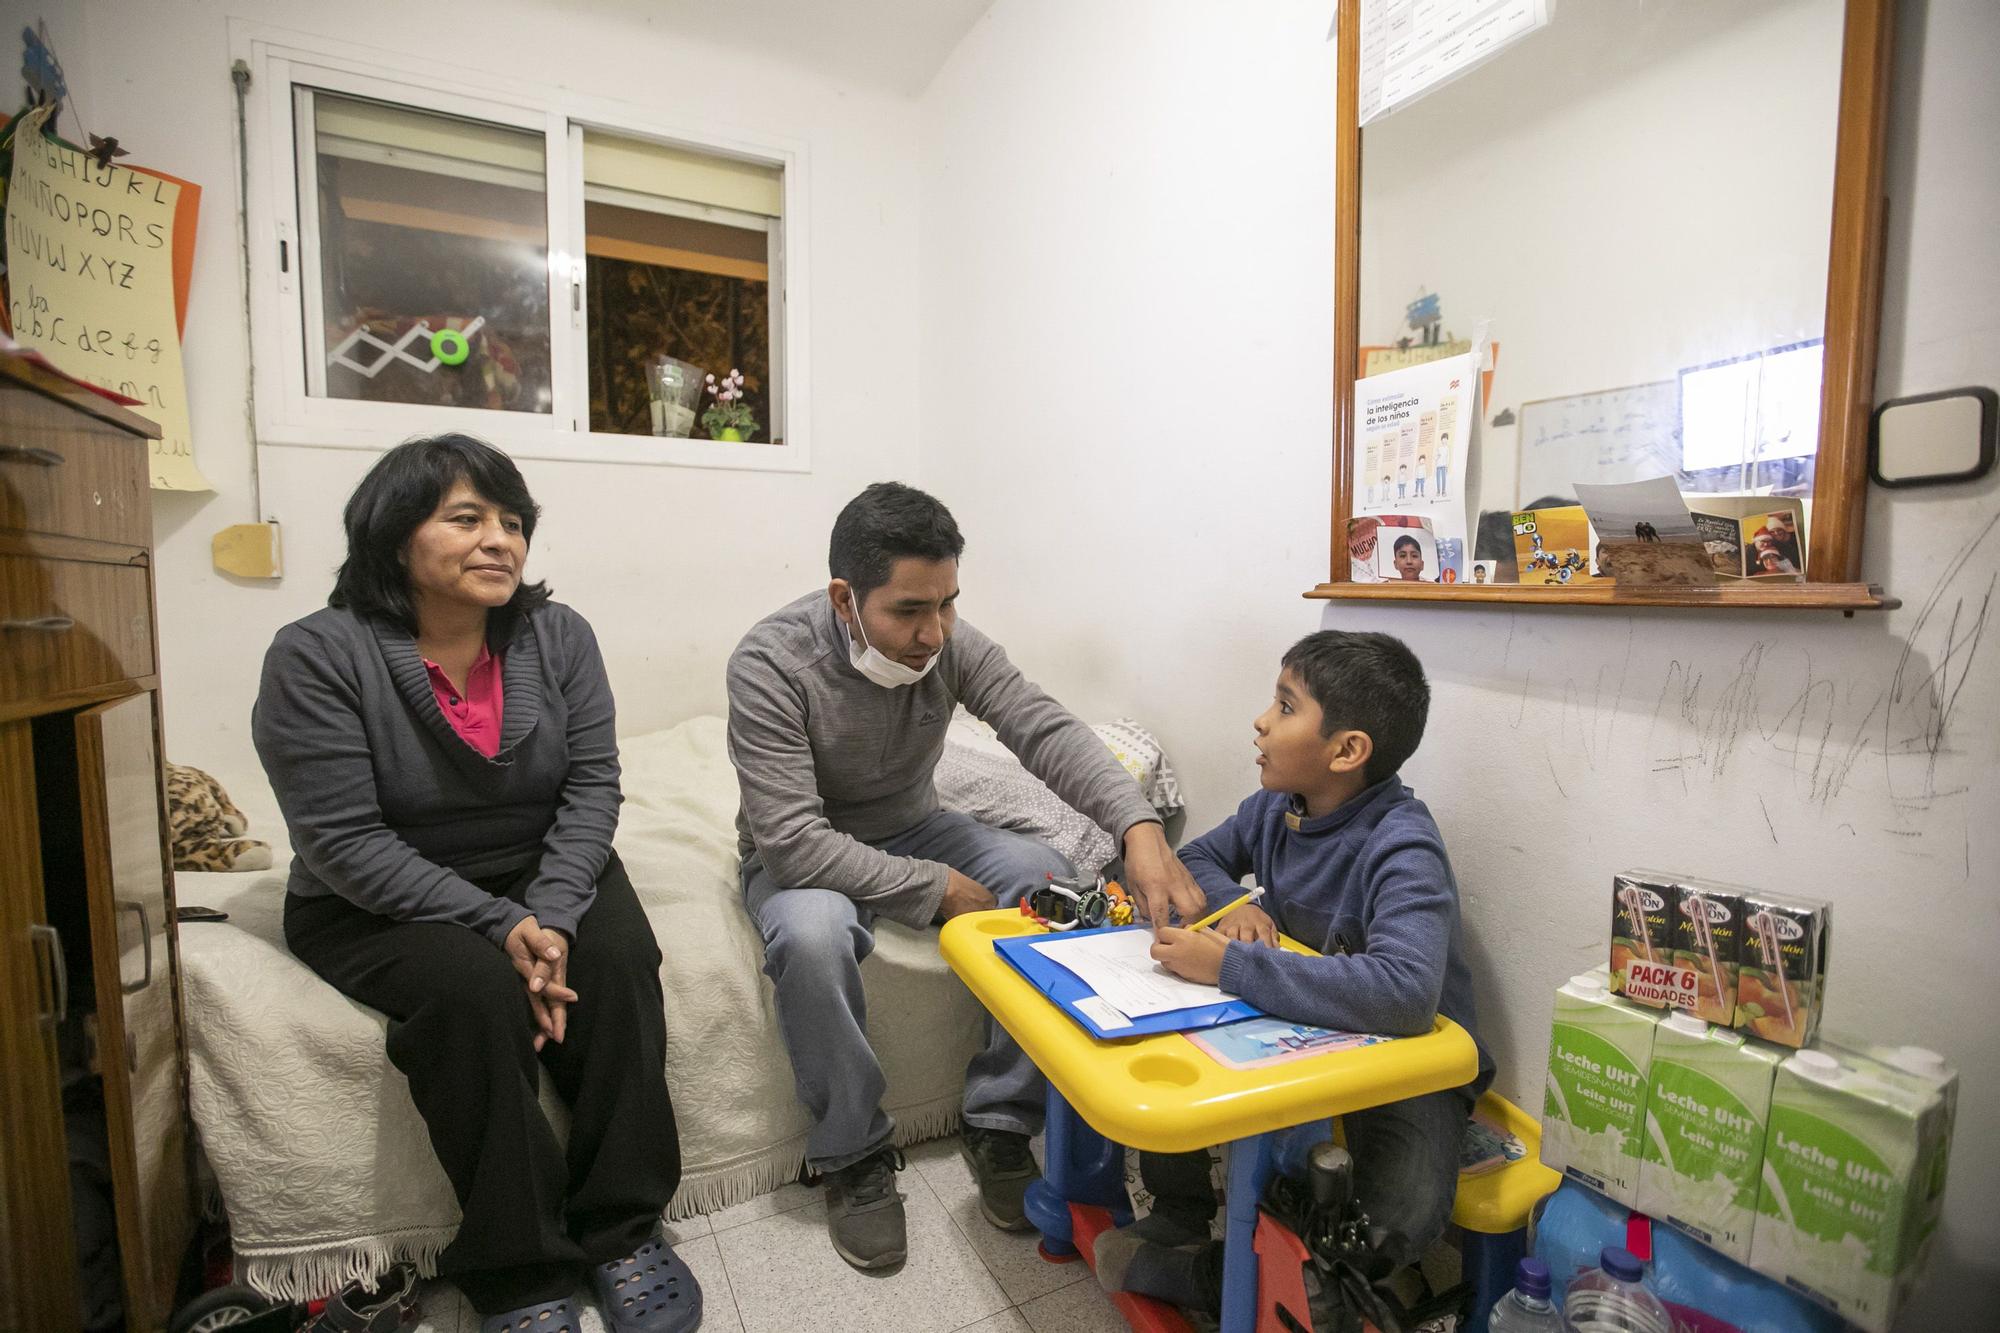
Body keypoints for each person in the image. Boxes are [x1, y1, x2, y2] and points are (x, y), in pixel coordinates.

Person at [254, 435, 699, 1333]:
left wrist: (557, 914)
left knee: (617, 961)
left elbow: (593, 784)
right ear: (393, 534)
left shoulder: (558, 634)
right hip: (373, 894)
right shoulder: (316, 654)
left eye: (512, 522)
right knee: (471, 995)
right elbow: (343, 843)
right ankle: (519, 1267)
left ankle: (622, 1229)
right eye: (466, 518)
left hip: (541, 865)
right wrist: (501, 926)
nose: (500, 539)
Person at [726, 482, 1206, 1271]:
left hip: (918, 820)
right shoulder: (771, 662)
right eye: (909, 610)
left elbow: (1042, 726)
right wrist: (933, 887)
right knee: (811, 936)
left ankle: (1000, 1117)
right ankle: (853, 1155)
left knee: (1046, 879)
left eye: (948, 603)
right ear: (845, 598)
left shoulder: (951, 641)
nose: (932, 632)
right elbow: (792, 842)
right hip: (809, 845)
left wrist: (1138, 826)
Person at [1092, 631, 1493, 1318]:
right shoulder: (1276, 809)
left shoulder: (1402, 842)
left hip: (1408, 1066)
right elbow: (1197, 860)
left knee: (1396, 1223)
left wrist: (1233, 964)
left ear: (1346, 750)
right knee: (1163, 1053)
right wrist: (1237, 905)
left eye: (1284, 705)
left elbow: (1405, 991)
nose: (1260, 720)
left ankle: (1228, 1274)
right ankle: (1186, 1215)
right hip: (1303, 1033)